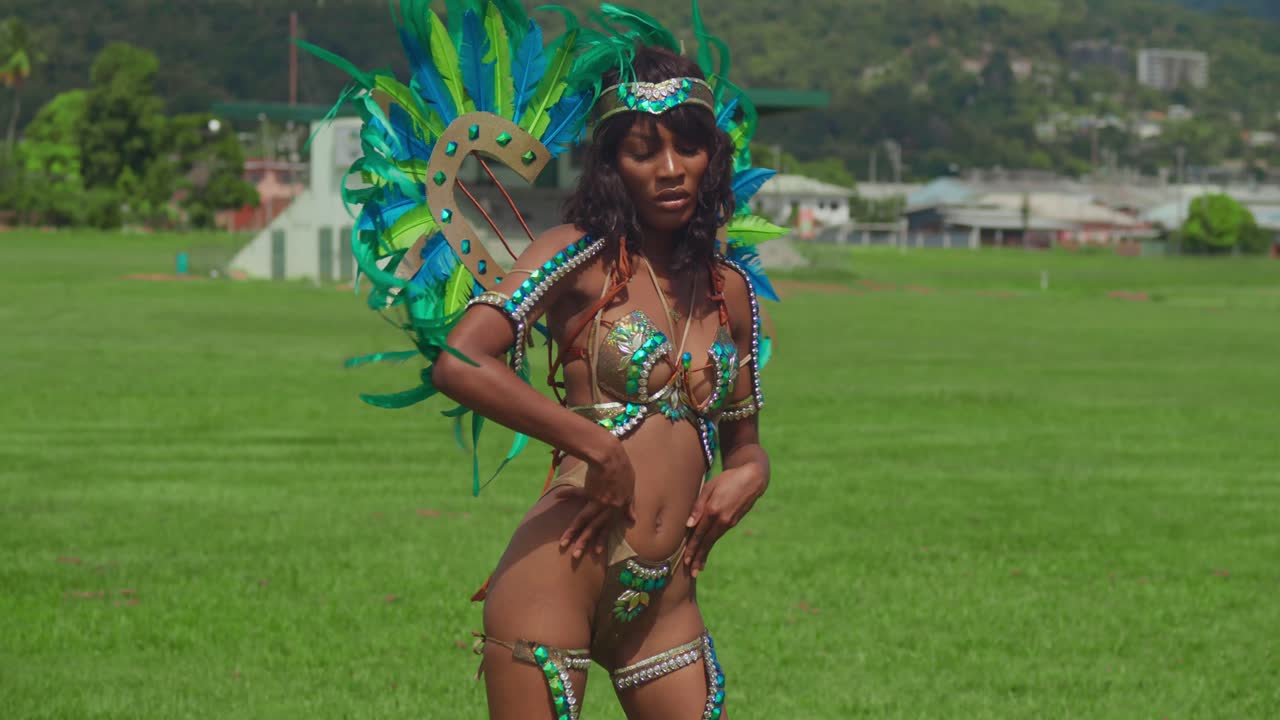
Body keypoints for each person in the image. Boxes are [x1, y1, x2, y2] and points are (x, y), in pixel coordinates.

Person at [306, 3, 784, 717]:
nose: (670, 169)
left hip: (664, 601)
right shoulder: (579, 255)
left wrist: (749, 478)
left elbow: (745, 446)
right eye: (642, 151)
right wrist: (593, 443)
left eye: (687, 147)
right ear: (611, 165)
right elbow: (462, 362)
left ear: (714, 154)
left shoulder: (732, 291)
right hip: (560, 572)